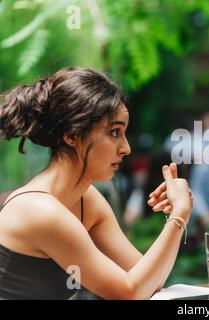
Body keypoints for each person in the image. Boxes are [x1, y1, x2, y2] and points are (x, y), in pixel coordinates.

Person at [0, 67, 193, 300]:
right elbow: (129, 293)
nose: (126, 148)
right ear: (72, 136)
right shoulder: (40, 210)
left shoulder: (86, 200)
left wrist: (179, 215)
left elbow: (149, 283)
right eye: (114, 132)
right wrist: (179, 216)